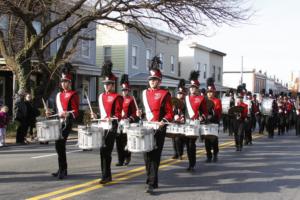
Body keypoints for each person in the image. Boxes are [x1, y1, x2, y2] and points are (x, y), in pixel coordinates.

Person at [136, 56, 173, 194]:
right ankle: (152, 179)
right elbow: (141, 110)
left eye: (155, 80)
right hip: (147, 127)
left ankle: (151, 182)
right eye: (151, 80)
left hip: (159, 128)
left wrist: (163, 121)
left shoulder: (165, 94)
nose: (152, 82)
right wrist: (139, 113)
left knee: (155, 156)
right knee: (146, 155)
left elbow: (170, 113)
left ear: (159, 81)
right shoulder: (144, 93)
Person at [91, 61, 123, 184]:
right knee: (101, 151)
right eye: (105, 84)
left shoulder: (117, 97)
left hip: (112, 127)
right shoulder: (100, 96)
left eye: (109, 84)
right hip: (102, 126)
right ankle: (104, 174)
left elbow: (119, 114)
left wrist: (113, 117)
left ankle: (107, 175)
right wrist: (96, 115)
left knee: (107, 151)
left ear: (113, 85)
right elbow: (101, 114)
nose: (106, 86)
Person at [46, 63, 79, 180]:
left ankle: (63, 170)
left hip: (67, 123)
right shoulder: (58, 95)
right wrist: (50, 113)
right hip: (58, 123)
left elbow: (75, 111)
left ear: (70, 83)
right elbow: (56, 110)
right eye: (62, 81)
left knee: (60, 145)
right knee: (58, 146)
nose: (64, 84)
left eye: (66, 81)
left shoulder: (73, 94)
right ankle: (61, 168)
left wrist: (68, 113)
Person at [185, 71, 208, 170]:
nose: (192, 89)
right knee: (187, 143)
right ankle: (190, 161)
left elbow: (205, 112)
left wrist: (202, 117)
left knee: (191, 144)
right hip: (186, 123)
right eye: (191, 87)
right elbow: (182, 110)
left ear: (197, 88)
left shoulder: (201, 98)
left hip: (195, 123)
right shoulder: (185, 98)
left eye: (194, 87)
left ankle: (192, 163)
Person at [115, 74, 138, 166]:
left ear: (129, 90)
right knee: (118, 142)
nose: (124, 92)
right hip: (119, 123)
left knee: (126, 142)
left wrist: (130, 118)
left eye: (126, 90)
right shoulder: (118, 99)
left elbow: (134, 112)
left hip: (128, 123)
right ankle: (120, 160)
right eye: (123, 90)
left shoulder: (131, 100)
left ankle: (127, 157)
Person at [204, 77, 222, 162]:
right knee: (207, 140)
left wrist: (212, 116)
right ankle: (208, 156)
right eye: (208, 92)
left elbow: (218, 112)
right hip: (206, 122)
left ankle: (215, 154)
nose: (209, 94)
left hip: (214, 122)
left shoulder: (217, 101)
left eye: (211, 92)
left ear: (214, 93)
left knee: (214, 139)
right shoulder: (204, 101)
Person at [171, 79, 186, 160]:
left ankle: (180, 153)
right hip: (175, 123)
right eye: (179, 93)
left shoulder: (185, 103)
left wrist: (182, 117)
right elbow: (171, 112)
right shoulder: (174, 103)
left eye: (181, 93)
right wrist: (174, 116)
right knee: (174, 138)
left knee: (179, 139)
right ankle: (176, 153)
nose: (180, 95)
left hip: (183, 123)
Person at [233, 84, 248, 151]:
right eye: (239, 98)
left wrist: (241, 115)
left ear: (242, 98)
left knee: (240, 133)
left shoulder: (245, 105)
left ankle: (240, 145)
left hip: (241, 120)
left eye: (241, 98)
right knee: (236, 134)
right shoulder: (234, 104)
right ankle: (237, 145)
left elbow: (245, 113)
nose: (240, 99)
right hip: (235, 121)